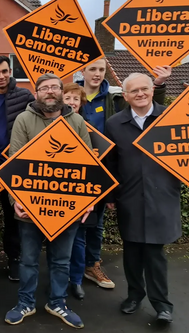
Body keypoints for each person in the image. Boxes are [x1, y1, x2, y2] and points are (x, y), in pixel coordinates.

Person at [4, 74, 92, 329]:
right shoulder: (23, 119)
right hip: (30, 206)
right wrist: (14, 201)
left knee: (61, 260)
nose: (50, 92)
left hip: (67, 208)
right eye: (44, 88)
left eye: (55, 87)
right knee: (28, 259)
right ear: (36, 93)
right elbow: (15, 162)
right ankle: (25, 303)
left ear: (62, 92)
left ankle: (57, 302)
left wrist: (87, 201)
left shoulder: (76, 121)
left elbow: (88, 165)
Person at [76, 59, 171, 289]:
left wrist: (159, 84)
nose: (97, 74)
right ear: (83, 72)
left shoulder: (115, 99)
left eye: (101, 70)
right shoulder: (72, 96)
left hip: (105, 167)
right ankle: (74, 272)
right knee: (77, 225)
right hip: (77, 168)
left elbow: (149, 113)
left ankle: (92, 264)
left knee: (97, 224)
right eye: (92, 69)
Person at [104, 73, 181, 324]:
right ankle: (134, 296)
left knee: (155, 253)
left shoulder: (170, 119)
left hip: (162, 195)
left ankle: (162, 305)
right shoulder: (115, 123)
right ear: (124, 96)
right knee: (132, 251)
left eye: (144, 89)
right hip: (130, 196)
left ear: (152, 90)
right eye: (134, 91)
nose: (140, 94)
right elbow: (112, 163)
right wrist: (112, 196)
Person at [0, 55, 35, 281]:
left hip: (15, 166)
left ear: (10, 71)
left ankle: (14, 259)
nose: (1, 76)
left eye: (4, 71)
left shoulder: (25, 96)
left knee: (14, 216)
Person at [63, 83, 100, 300]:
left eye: (76, 99)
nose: (72, 102)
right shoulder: (50, 125)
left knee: (78, 240)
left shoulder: (87, 127)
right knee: (56, 242)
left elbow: (93, 164)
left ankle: (76, 280)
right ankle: (58, 279)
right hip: (54, 193)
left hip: (79, 192)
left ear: (81, 103)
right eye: (67, 98)